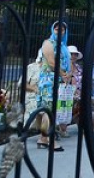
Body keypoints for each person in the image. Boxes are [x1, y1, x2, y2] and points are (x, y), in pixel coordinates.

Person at [36, 21, 71, 151]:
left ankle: (43, 138)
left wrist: (68, 75)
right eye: (57, 29)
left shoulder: (63, 45)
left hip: (58, 79)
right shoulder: (48, 43)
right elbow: (51, 62)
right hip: (49, 80)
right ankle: (50, 139)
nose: (59, 31)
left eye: (62, 30)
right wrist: (63, 74)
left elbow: (67, 62)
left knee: (51, 109)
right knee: (49, 109)